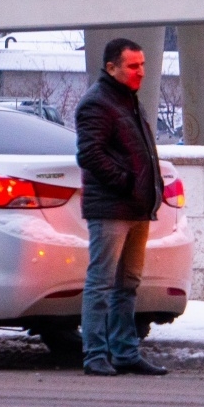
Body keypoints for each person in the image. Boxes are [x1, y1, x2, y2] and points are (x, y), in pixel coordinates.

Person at [74, 37, 169, 377]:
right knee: (101, 283)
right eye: (133, 66)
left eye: (143, 64)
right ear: (111, 67)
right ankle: (96, 354)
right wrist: (129, 183)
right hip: (113, 208)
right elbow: (90, 155)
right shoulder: (97, 103)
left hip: (135, 207)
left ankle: (125, 352)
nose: (141, 72)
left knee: (127, 284)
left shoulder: (128, 100)